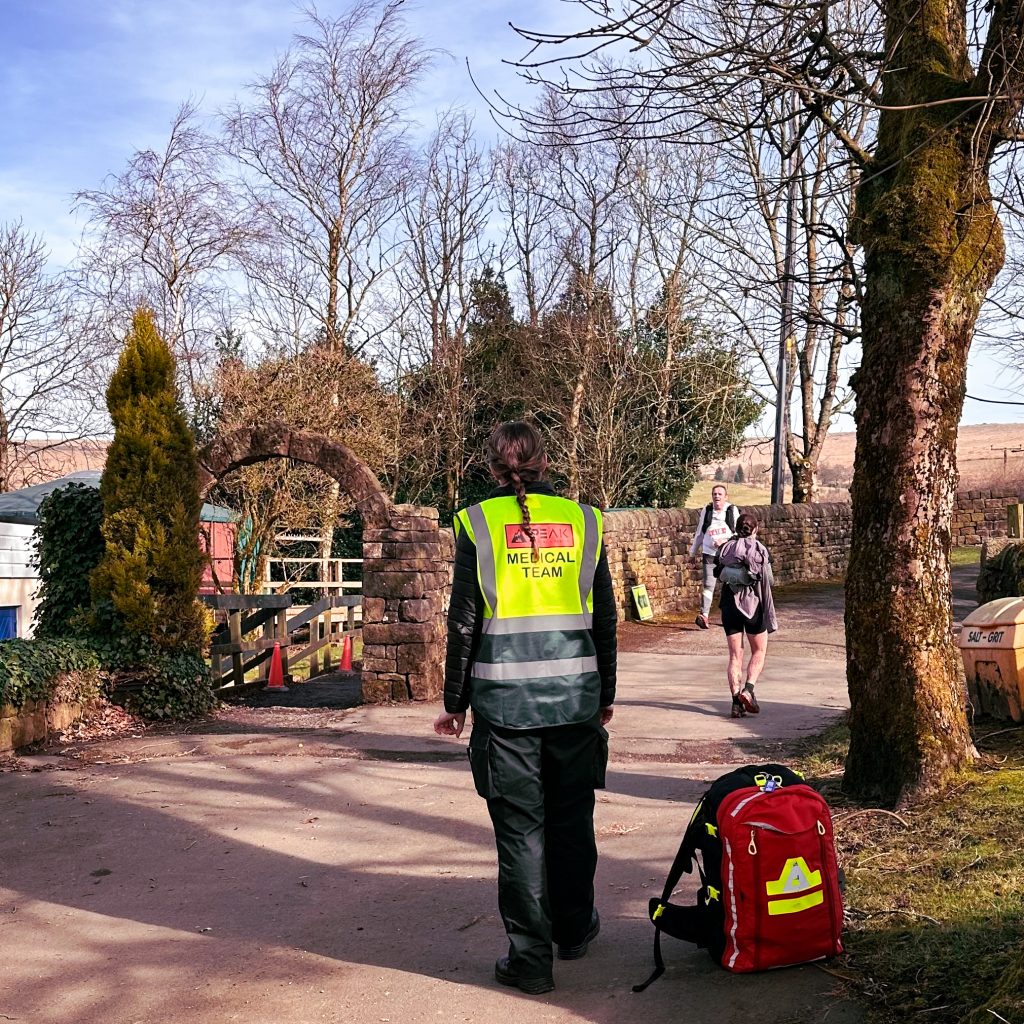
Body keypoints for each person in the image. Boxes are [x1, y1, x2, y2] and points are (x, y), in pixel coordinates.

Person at [433, 420, 617, 996]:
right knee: (571, 820)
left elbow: (464, 621)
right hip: (575, 700)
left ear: (492, 468)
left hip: (505, 707)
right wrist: (604, 694)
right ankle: (573, 928)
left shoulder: (478, 524)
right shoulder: (585, 523)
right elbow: (604, 617)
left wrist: (454, 703)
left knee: (521, 833)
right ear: (545, 465)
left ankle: (530, 960)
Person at [714, 511, 778, 718]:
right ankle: (748, 690)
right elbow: (769, 579)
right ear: (755, 529)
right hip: (753, 606)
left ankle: (735, 703)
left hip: (729, 605)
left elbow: (717, 572)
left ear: (736, 528)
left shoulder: (725, 548)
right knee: (759, 650)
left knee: (735, 655)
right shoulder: (759, 550)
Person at [688, 484, 740, 629]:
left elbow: (738, 534)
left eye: (719, 494)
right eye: (714, 494)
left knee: (729, 585)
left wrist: (724, 542)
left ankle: (729, 615)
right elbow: (700, 532)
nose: (716, 496)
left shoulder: (732, 510)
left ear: (725, 497)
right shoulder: (707, 510)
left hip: (728, 555)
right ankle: (704, 616)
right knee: (708, 585)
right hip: (709, 554)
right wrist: (693, 552)